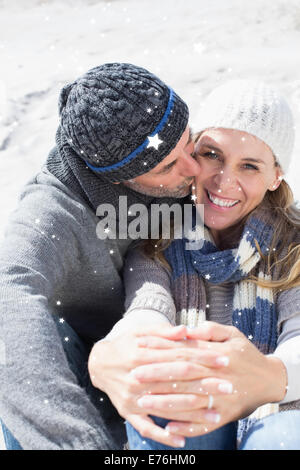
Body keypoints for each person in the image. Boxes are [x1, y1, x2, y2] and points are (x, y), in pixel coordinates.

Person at [0, 62, 201, 450]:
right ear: (116, 178)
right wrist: (73, 440)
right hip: (85, 378)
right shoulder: (52, 211)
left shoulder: (181, 158)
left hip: (169, 345)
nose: (194, 169)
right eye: (168, 165)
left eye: (189, 140)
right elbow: (7, 292)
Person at [107, 80, 300, 450]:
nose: (224, 182)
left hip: (280, 408)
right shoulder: (157, 237)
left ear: (275, 176)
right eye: (212, 155)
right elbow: (147, 309)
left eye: (249, 166)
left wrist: (258, 375)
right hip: (196, 400)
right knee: (169, 410)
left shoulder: (293, 245)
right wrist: (134, 345)